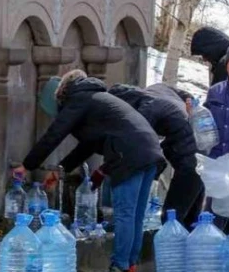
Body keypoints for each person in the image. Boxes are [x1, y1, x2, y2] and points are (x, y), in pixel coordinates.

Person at [12, 70, 164, 272]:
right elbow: (87, 146)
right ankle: (127, 271)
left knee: (125, 215)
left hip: (129, 154)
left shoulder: (78, 99)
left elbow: (54, 134)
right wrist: (60, 170)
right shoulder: (98, 100)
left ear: (61, 97)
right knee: (135, 216)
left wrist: (27, 164)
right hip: (149, 151)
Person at [57, 82, 204, 228]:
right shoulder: (158, 88)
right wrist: (64, 167)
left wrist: (103, 170)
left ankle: (173, 250)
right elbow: (90, 144)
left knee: (171, 221)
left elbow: (131, 148)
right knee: (191, 224)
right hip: (202, 160)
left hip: (189, 165)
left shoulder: (144, 112)